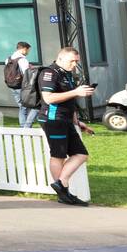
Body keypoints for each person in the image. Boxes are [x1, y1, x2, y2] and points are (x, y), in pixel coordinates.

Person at [38, 47, 95, 206]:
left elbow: (69, 101)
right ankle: (64, 193)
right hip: (53, 119)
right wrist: (76, 92)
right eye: (72, 61)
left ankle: (61, 184)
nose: (75, 64)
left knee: (81, 154)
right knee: (58, 156)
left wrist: (77, 121)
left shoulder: (67, 73)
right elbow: (48, 98)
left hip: (66, 119)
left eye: (77, 61)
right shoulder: (49, 73)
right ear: (61, 58)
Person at [6, 41, 35, 128]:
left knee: (22, 106)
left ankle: (23, 127)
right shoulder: (22, 59)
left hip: (12, 85)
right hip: (22, 86)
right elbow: (27, 74)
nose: (28, 52)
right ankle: (25, 127)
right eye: (28, 50)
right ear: (23, 49)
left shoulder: (9, 58)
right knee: (29, 106)